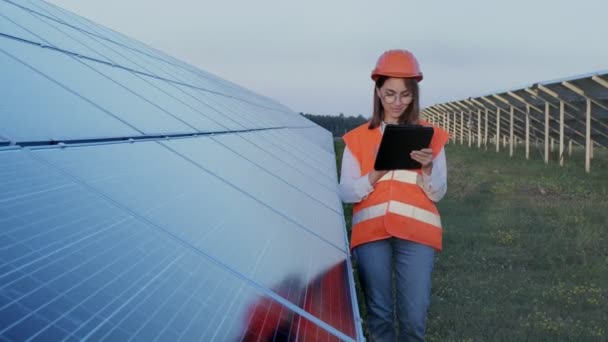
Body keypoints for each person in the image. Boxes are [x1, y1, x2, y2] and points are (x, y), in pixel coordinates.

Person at [338, 49, 449, 341]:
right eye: (389, 94)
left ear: (415, 94)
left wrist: (427, 167)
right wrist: (377, 171)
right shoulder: (357, 138)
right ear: (377, 91)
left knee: (414, 320)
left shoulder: (432, 136)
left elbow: (437, 193)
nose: (397, 102)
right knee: (380, 315)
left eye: (405, 95)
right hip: (371, 236)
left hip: (417, 235)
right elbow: (346, 192)